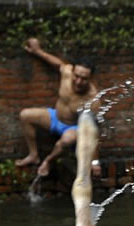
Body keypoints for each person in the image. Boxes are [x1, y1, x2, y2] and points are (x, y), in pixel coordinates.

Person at [16, 38, 97, 177]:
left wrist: (94, 162)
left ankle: (48, 161)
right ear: (72, 71)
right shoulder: (66, 73)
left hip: (72, 128)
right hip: (55, 118)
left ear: (90, 78)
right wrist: (37, 51)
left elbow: (93, 132)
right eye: (76, 76)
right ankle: (33, 155)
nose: (78, 81)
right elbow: (57, 64)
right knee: (25, 115)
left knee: (66, 140)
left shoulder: (92, 98)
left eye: (84, 79)